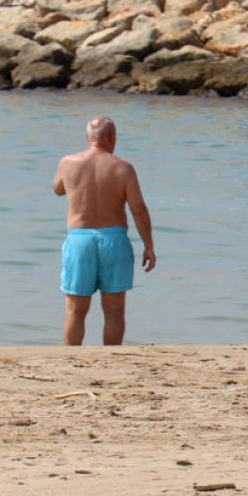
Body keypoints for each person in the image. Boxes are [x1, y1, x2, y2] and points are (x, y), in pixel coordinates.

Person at [53, 117, 156, 345]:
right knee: (114, 310)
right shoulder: (123, 168)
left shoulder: (68, 162)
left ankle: (71, 359)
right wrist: (149, 245)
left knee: (75, 310)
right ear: (112, 137)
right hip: (114, 240)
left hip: (79, 239)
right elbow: (138, 209)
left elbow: (58, 189)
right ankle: (111, 358)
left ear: (89, 137)